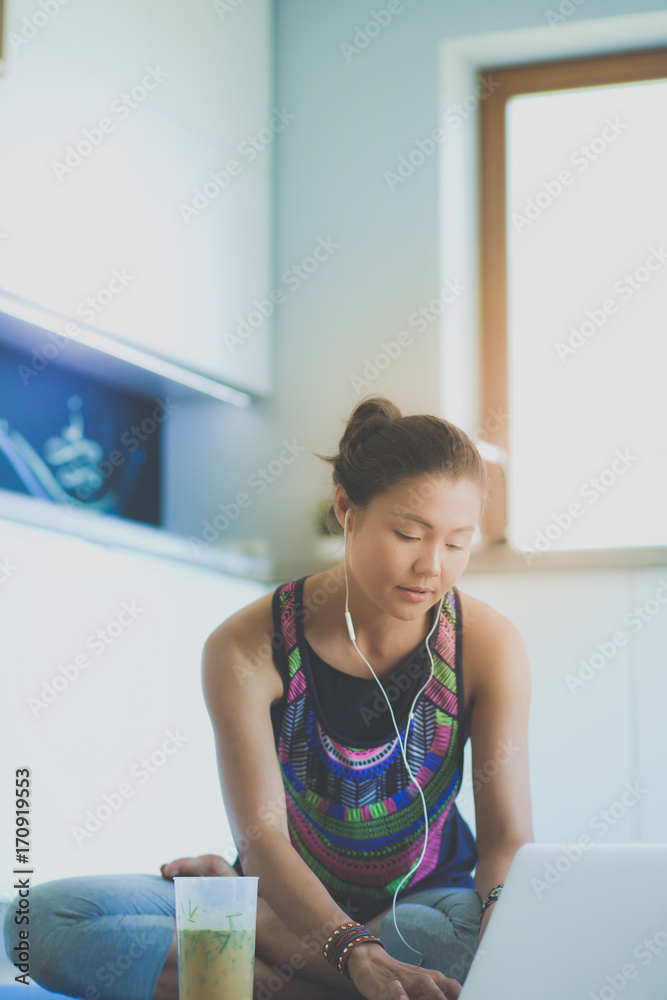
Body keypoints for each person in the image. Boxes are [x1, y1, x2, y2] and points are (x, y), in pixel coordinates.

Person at [3, 395, 533, 1000]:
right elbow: (262, 842)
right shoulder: (246, 645)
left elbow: (506, 841)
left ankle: (243, 972)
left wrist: (502, 920)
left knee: (456, 943)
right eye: (409, 534)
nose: (431, 567)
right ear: (347, 510)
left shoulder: (486, 644)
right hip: (279, 891)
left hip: (422, 905)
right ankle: (333, 972)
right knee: (34, 924)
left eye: (457, 544)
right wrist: (352, 950)